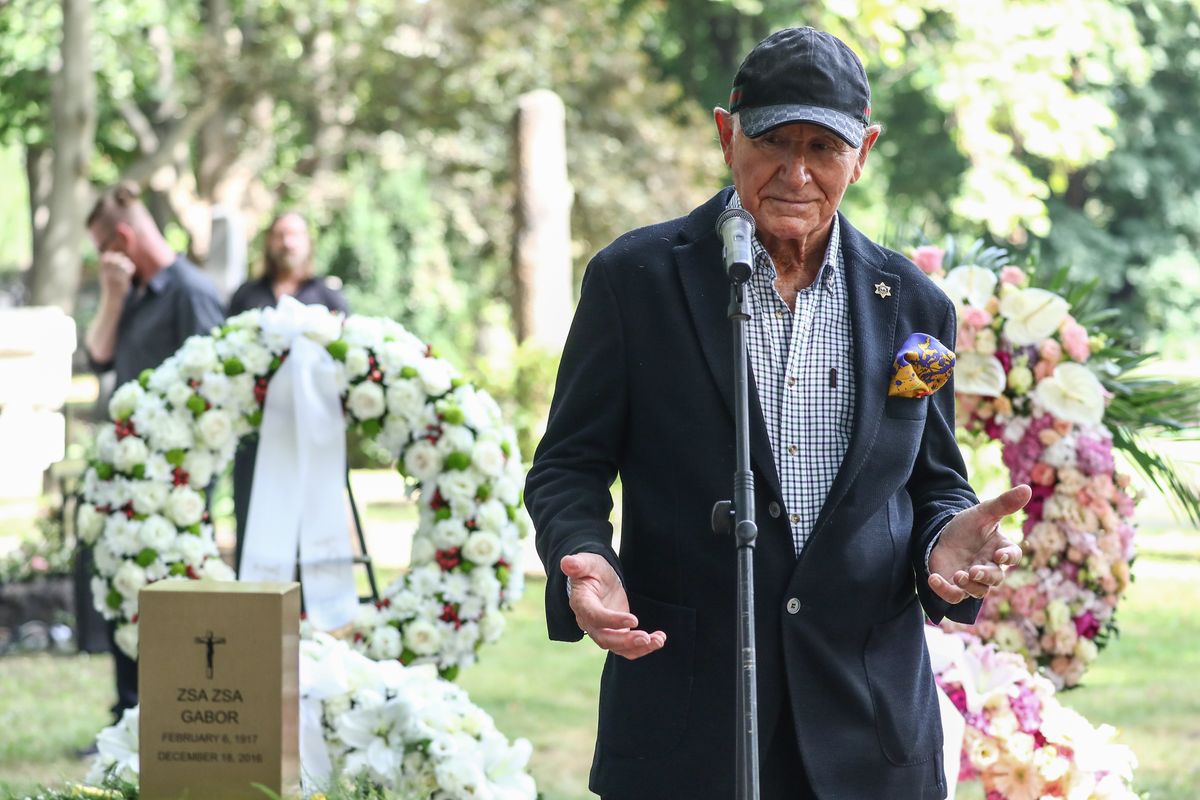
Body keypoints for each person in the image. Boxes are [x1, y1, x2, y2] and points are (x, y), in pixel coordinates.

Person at [524, 27, 1032, 800]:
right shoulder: (634, 281)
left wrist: (946, 542)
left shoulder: (917, 308)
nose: (797, 173)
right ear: (728, 134)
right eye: (773, 142)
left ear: (863, 151)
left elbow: (931, 484)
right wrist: (585, 555)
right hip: (686, 726)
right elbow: (569, 465)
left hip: (869, 734)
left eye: (824, 149)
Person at [84, 182, 225, 721]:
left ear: (122, 236)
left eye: (102, 247)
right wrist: (113, 296)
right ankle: (128, 716)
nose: (101, 259)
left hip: (175, 486)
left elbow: (214, 393)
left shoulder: (191, 292)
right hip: (128, 476)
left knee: (167, 601)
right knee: (126, 590)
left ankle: (170, 716)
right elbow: (98, 356)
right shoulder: (135, 292)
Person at [227, 211, 349, 570]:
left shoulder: (329, 299)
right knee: (252, 525)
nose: (287, 242)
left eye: (295, 234)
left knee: (312, 536)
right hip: (258, 441)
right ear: (269, 242)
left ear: (308, 242)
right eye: (280, 234)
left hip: (315, 441)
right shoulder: (246, 297)